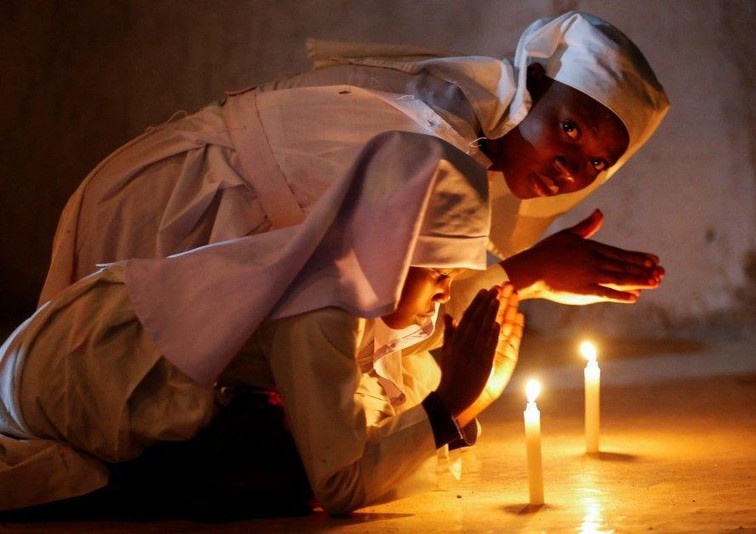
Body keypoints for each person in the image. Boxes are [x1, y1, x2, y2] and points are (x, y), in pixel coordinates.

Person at [0, 133, 524, 517]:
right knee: (270, 476)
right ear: (394, 254)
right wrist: (447, 405)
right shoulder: (322, 307)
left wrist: (459, 400)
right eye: (439, 274)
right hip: (70, 373)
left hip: (53, 348)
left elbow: (366, 408)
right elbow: (339, 486)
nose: (444, 294)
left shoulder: (341, 280)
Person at [38, 10, 669, 322]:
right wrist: (527, 273)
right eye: (568, 129)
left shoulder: (475, 136)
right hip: (174, 206)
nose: (572, 169)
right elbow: (393, 313)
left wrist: (523, 276)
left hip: (212, 216)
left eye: (597, 162)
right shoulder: (442, 133)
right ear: (533, 90)